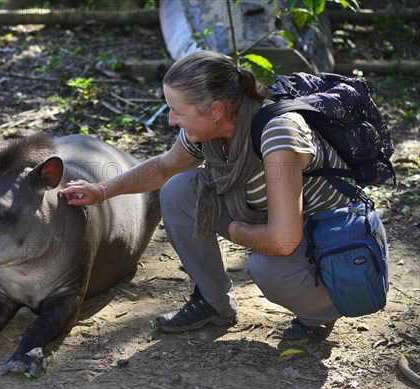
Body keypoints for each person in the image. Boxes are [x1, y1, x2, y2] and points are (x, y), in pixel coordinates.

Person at [59, 49, 351, 341]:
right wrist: (102, 190)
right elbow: (163, 168)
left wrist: (237, 231)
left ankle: (320, 312)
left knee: (267, 268)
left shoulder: (278, 136)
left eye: (178, 112)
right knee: (177, 191)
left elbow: (283, 240)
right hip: (262, 211)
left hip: (321, 232)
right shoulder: (206, 132)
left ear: (216, 111)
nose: (172, 121)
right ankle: (214, 303)